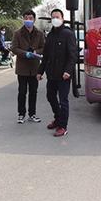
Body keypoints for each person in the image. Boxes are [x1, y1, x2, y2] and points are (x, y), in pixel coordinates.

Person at [37, 9, 77, 137]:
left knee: (63, 100)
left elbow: (72, 55)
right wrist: (40, 71)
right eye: (53, 17)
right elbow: (46, 56)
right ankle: (58, 118)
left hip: (64, 75)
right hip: (52, 74)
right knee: (50, 96)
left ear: (62, 18)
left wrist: (68, 71)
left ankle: (63, 126)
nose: (55, 19)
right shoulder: (50, 35)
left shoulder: (68, 34)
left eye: (57, 17)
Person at [11, 10, 45, 124]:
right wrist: (25, 53)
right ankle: (21, 114)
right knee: (22, 92)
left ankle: (32, 114)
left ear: (34, 19)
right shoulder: (17, 33)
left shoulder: (39, 33)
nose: (28, 20)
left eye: (30, 18)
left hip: (35, 68)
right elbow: (14, 48)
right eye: (26, 18)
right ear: (23, 19)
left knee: (33, 92)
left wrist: (36, 52)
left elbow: (44, 47)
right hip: (22, 68)